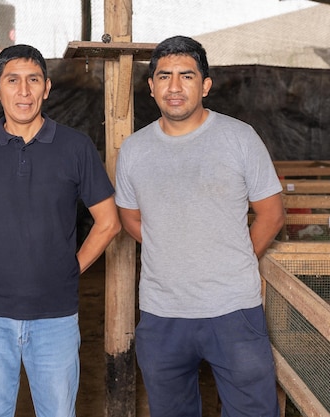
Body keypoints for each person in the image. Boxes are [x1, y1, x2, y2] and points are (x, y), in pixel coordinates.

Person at [0, 44, 120, 417]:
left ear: (47, 87)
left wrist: (71, 267)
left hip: (55, 317)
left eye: (33, 80)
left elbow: (108, 222)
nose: (23, 91)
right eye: (12, 80)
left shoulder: (75, 147)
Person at [115, 35, 285, 417]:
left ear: (205, 85)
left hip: (233, 309)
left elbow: (271, 213)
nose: (174, 87)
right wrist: (173, 247)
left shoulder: (239, 138)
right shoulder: (135, 149)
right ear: (151, 86)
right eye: (164, 76)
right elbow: (130, 217)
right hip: (163, 314)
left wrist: (232, 257)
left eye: (187, 76)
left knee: (253, 411)